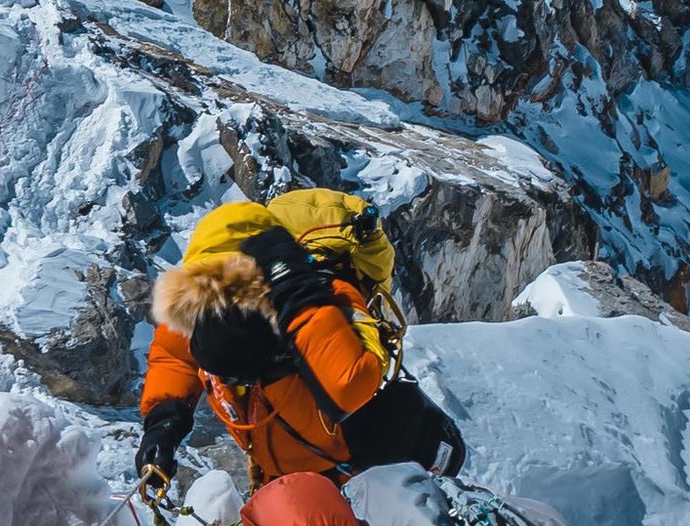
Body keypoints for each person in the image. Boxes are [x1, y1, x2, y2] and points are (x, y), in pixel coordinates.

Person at [135, 201, 464, 496]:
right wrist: (163, 424)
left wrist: (297, 297)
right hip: (279, 478)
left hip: (353, 478)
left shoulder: (323, 299)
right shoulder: (197, 312)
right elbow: (173, 356)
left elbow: (349, 384)